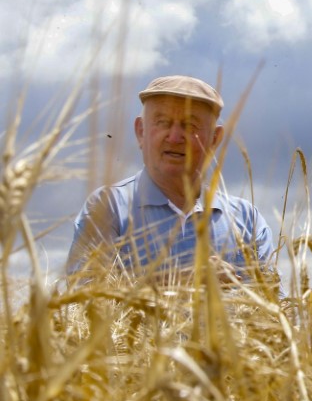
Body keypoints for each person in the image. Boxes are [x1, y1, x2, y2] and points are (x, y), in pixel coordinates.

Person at [67, 75, 278, 290]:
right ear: (141, 132)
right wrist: (183, 280)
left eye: (190, 125)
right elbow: (87, 301)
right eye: (162, 122)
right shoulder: (108, 207)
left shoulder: (246, 219)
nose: (175, 137)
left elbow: (276, 307)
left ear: (215, 139)